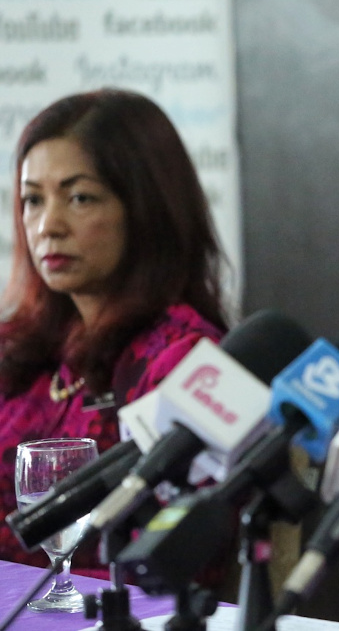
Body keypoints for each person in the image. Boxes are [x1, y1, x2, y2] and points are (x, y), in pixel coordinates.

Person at [0, 89, 229, 576]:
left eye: (80, 197)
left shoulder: (183, 361)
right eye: (32, 200)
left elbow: (184, 555)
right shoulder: (18, 348)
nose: (48, 226)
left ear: (146, 207)